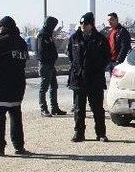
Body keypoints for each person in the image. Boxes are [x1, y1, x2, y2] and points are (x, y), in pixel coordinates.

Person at [0, 16, 31, 156]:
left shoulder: (0, 41)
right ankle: (19, 146)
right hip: (18, 85)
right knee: (16, 117)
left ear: (3, 27)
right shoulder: (22, 42)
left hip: (1, 85)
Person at [67, 12, 111, 142]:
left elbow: (106, 57)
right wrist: (77, 69)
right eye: (81, 23)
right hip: (79, 79)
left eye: (85, 24)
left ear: (91, 25)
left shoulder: (100, 39)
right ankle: (79, 133)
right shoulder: (74, 38)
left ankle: (101, 133)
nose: (82, 26)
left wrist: (97, 68)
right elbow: (70, 55)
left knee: (97, 108)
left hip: (94, 79)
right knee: (79, 109)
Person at [36, 16, 67, 117]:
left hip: (51, 64)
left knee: (54, 86)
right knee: (44, 87)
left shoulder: (48, 34)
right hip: (45, 64)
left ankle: (55, 108)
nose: (54, 27)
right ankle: (43, 108)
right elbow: (42, 52)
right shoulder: (42, 35)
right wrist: (49, 59)